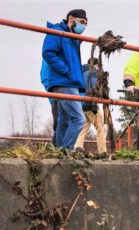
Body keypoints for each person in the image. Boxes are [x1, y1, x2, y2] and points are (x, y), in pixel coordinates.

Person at [41, 9, 89, 150]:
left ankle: (58, 151)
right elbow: (48, 53)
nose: (84, 26)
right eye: (82, 22)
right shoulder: (57, 31)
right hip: (64, 82)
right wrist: (66, 72)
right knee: (79, 119)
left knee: (64, 121)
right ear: (71, 18)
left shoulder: (72, 38)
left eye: (86, 24)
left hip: (69, 82)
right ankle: (66, 150)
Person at [74, 58, 107, 157]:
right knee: (100, 128)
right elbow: (94, 89)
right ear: (96, 65)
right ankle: (102, 151)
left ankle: (78, 146)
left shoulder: (82, 73)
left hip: (80, 104)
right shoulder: (93, 74)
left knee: (84, 127)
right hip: (90, 104)